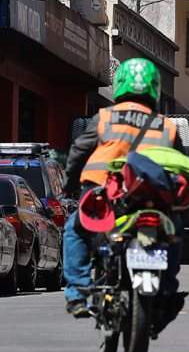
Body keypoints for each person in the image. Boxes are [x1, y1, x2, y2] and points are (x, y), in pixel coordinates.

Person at [62, 58, 180, 318]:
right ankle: (168, 287)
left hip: (106, 194)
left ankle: (78, 293)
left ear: (121, 84)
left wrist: (69, 185)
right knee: (173, 234)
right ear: (154, 87)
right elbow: (181, 166)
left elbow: (79, 152)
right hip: (152, 199)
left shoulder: (105, 117)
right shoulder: (167, 125)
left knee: (75, 230)